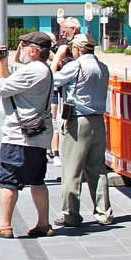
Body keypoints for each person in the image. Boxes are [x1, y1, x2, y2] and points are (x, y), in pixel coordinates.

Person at [0, 32, 56, 238]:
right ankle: (43, 224)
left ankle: (4, 224)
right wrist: (5, 63)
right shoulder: (42, 69)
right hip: (35, 135)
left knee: (8, 180)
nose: (21, 50)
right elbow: (12, 84)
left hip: (19, 136)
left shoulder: (33, 70)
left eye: (23, 46)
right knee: (37, 180)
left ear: (33, 51)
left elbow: (1, 87)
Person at [51, 32, 112, 227]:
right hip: (98, 120)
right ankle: (104, 212)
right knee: (97, 168)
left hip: (78, 121)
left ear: (76, 49)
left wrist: (58, 58)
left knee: (71, 169)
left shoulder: (75, 66)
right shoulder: (103, 67)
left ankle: (71, 214)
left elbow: (51, 80)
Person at [48, 17, 82, 166]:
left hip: (78, 102)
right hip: (69, 96)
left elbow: (70, 67)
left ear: (73, 29)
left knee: (76, 141)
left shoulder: (80, 44)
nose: (61, 34)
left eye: (63, 31)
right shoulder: (68, 44)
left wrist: (55, 58)